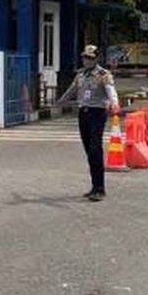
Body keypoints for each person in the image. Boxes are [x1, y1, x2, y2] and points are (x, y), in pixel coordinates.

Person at [56, 44, 121, 201]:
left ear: (96, 58)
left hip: (97, 113)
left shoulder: (103, 74)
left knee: (95, 149)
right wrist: (59, 102)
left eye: (90, 58)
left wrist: (114, 103)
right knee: (89, 151)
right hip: (83, 113)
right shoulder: (80, 75)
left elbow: (111, 90)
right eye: (85, 57)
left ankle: (100, 188)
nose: (87, 60)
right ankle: (94, 186)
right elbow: (71, 90)